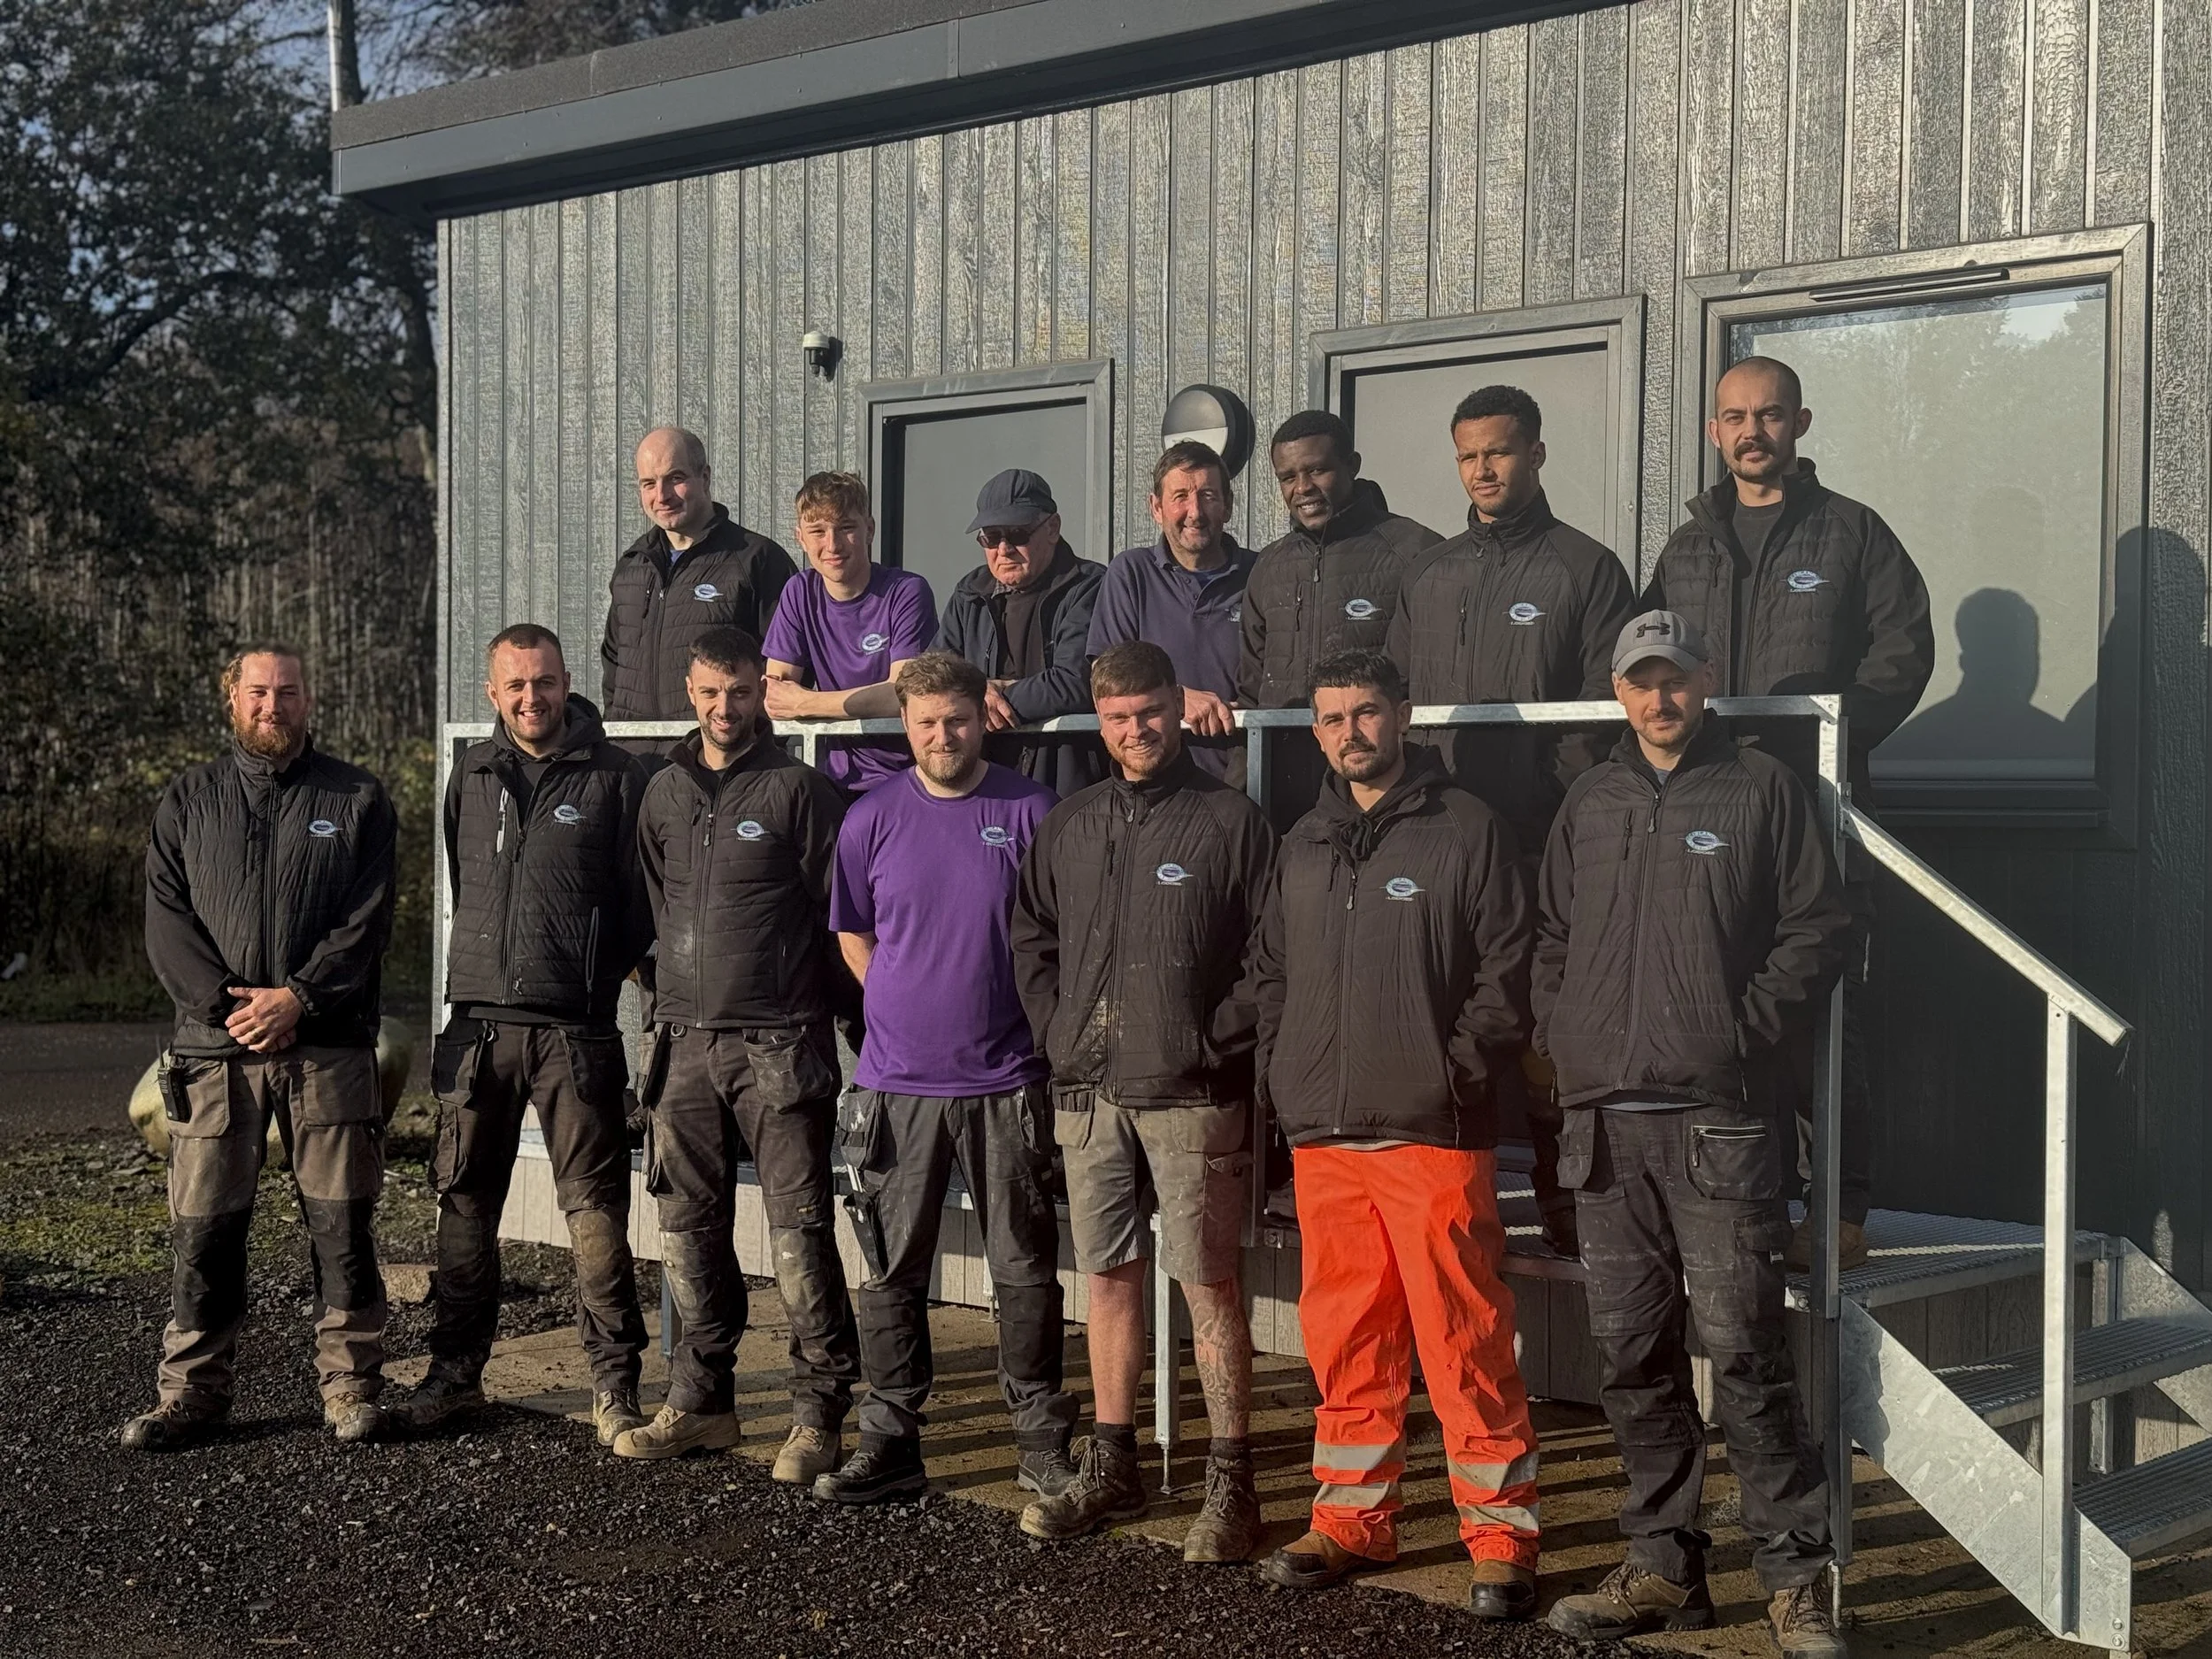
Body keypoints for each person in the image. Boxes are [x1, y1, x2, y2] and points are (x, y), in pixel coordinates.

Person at [1536, 611, 1850, 1657]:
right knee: (1630, 1357)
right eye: (1640, 681)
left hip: (1719, 1124)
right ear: (1618, 691)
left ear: (1708, 680)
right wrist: (1562, 1035)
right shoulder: (1589, 799)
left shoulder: (1764, 790)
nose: (1658, 697)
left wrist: (1740, 1038)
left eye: (1674, 678)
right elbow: (1550, 935)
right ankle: (1665, 1567)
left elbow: (1817, 930)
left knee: (1748, 1356)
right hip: (1603, 1129)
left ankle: (1797, 1583)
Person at [1250, 647, 1544, 1620]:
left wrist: (1456, 1070)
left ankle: (1499, 1534)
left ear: (1403, 714)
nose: (1349, 733)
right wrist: (1286, 1073)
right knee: (1345, 1338)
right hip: (1324, 1134)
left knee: (1463, 1339)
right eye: (1330, 718)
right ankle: (1349, 1519)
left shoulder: (1467, 830)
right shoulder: (1302, 841)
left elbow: (1507, 974)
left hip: (1430, 1129)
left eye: (1366, 713)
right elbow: (1273, 974)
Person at [1643, 357, 1933, 1268]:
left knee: (1829, 1008)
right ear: (1712, 431)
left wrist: (1831, 738)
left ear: (1799, 424)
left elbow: (1903, 651)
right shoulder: (1685, 550)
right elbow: (1649, 661)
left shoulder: (1850, 533)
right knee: (1728, 994)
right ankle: (1748, 1200)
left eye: (1769, 416)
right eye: (1734, 417)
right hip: (1713, 816)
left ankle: (1838, 1210)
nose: (1751, 432)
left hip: (1815, 810)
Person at [1009, 641, 1276, 1561]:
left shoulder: (1230, 821)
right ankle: (1113, 1463)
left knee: (1208, 1284)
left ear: (1175, 705)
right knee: (1110, 1280)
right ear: (1098, 718)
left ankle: (1231, 1483)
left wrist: (1214, 1039)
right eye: (1118, 717)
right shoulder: (1071, 824)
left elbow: (1268, 956)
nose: (1136, 731)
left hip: (1192, 1092)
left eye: (1151, 713)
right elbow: (1031, 937)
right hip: (1088, 1091)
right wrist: (1055, 1030)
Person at [816, 652, 1078, 1505]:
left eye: (956, 719)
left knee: (1024, 1270)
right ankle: (891, 1437)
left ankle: (1041, 1440)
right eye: (925, 722)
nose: (942, 735)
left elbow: (1059, 940)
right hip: (896, 1086)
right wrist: (899, 998)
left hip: (1008, 1082)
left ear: (981, 718)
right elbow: (853, 932)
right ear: (905, 723)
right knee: (891, 1270)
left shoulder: (1031, 808)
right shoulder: (870, 817)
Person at [1387, 383, 1639, 1257]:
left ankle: (1568, 1207)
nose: (1482, 470)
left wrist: (1559, 807)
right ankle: (1453, 1210)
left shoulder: (1586, 568)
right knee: (1444, 1015)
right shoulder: (1430, 573)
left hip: (1539, 841)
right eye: (1467, 456)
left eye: (1497, 451)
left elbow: (1609, 719)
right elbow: (1393, 699)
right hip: (1442, 840)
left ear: (1534, 452)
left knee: (1541, 1028)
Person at [126, 644, 397, 1450]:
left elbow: (369, 921)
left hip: (328, 1050)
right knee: (204, 1228)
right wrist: (228, 1007)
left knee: (342, 1223)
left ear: (309, 699)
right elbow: (165, 923)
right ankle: (193, 1394)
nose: (271, 706)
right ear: (231, 699)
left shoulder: (356, 798)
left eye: (286, 692)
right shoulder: (188, 799)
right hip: (214, 1054)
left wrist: (301, 999)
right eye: (257, 692)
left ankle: (351, 1385)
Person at [401, 625, 653, 1447]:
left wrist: (589, 968)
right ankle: (455, 1373)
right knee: (465, 1204)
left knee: (595, 1217)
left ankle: (614, 1385)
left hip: (574, 1032)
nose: (531, 698)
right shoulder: (469, 773)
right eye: (515, 685)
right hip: (477, 1026)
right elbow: (466, 874)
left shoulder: (617, 777)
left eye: (544, 682)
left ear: (566, 680)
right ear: (492, 690)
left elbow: (637, 903)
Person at [621, 626, 861, 1482]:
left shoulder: (801, 792)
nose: (727, 708)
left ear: (763, 691)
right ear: (691, 690)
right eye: (711, 693)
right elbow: (655, 910)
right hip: (683, 1046)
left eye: (742, 692)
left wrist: (862, 1029)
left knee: (798, 1235)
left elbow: (841, 922)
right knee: (687, 1234)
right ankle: (701, 1400)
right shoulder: (662, 793)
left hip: (779, 1048)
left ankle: (818, 1411)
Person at [1240, 411, 1441, 826]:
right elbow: (1249, 687)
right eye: (1287, 477)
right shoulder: (1269, 566)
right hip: (1283, 789)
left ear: (1352, 465)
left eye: (1317, 470)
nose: (1302, 489)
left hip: (1383, 788)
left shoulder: (1415, 551)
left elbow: (1430, 679)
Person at [933, 467, 1109, 797]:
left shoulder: (1091, 586)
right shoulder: (968, 593)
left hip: (1065, 780)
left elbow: (1076, 681)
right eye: (990, 537)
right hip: (982, 782)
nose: (1003, 549)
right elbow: (933, 677)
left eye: (1017, 534)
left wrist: (987, 699)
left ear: (1052, 528)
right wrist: (978, 692)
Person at [602, 426, 797, 722]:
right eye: (648, 484)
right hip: (635, 759)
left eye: (675, 479)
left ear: (704, 477)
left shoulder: (757, 560)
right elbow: (614, 665)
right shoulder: (632, 567)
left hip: (718, 761)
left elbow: (787, 670)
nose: (662, 495)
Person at [1086, 442, 1256, 780]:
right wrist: (1180, 698)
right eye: (1180, 497)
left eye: (1208, 495)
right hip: (1156, 779)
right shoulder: (1131, 573)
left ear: (1228, 506)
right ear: (1156, 507)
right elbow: (1106, 676)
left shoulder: (1262, 573)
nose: (1195, 512)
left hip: (1246, 778)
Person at [762, 471, 938, 796]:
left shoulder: (906, 591)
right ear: (800, 538)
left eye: (845, 528)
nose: (832, 545)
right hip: (830, 779)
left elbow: (903, 695)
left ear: (869, 529)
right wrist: (801, 702)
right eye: (818, 531)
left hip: (906, 777)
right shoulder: (799, 592)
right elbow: (776, 696)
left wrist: (808, 703)